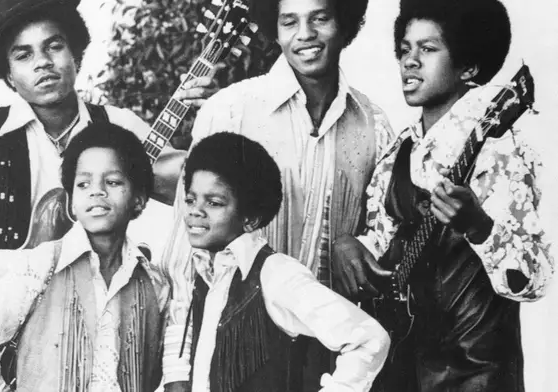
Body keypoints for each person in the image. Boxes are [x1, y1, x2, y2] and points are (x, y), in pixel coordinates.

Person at [159, 0, 395, 389]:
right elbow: (186, 257)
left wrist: (356, 241)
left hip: (329, 358)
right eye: (290, 21)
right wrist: (176, 371)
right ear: (275, 27)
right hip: (236, 355)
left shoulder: (374, 124)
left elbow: (381, 236)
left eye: (320, 18)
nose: (305, 34)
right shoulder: (230, 110)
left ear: (345, 23)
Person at [0, 0, 217, 289]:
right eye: (23, 55)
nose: (43, 63)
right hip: (17, 318)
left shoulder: (117, 125)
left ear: (75, 54)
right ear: (8, 74)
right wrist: (28, 267)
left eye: (54, 46)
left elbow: (193, 187)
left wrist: (212, 118)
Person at [338, 0, 554, 391]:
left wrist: (479, 227)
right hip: (401, 364)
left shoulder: (498, 148)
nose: (410, 61)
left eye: (428, 49)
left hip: (476, 372)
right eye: (405, 49)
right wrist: (349, 246)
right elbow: (384, 249)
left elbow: (536, 278)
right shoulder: (397, 153)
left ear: (469, 66)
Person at [0, 123, 170, 392]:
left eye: (112, 182)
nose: (96, 191)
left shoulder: (155, 283)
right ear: (72, 204)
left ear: (138, 200)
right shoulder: (39, 267)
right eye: (83, 183)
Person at [179, 132, 389, 392]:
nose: (195, 210)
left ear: (251, 219)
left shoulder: (276, 273)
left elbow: (370, 338)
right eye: (190, 199)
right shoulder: (207, 272)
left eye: (214, 202)